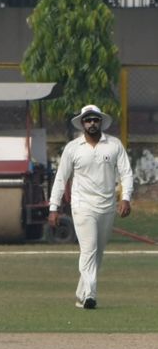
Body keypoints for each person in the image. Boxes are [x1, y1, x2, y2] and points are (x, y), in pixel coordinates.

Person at [48, 104, 133, 309]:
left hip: (106, 205)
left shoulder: (114, 145)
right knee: (89, 249)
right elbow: (61, 179)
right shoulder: (73, 148)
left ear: (101, 122)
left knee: (98, 253)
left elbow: (126, 173)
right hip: (82, 205)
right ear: (82, 123)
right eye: (88, 120)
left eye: (95, 119)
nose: (92, 123)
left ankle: (81, 292)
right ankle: (90, 295)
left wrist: (126, 198)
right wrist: (54, 207)